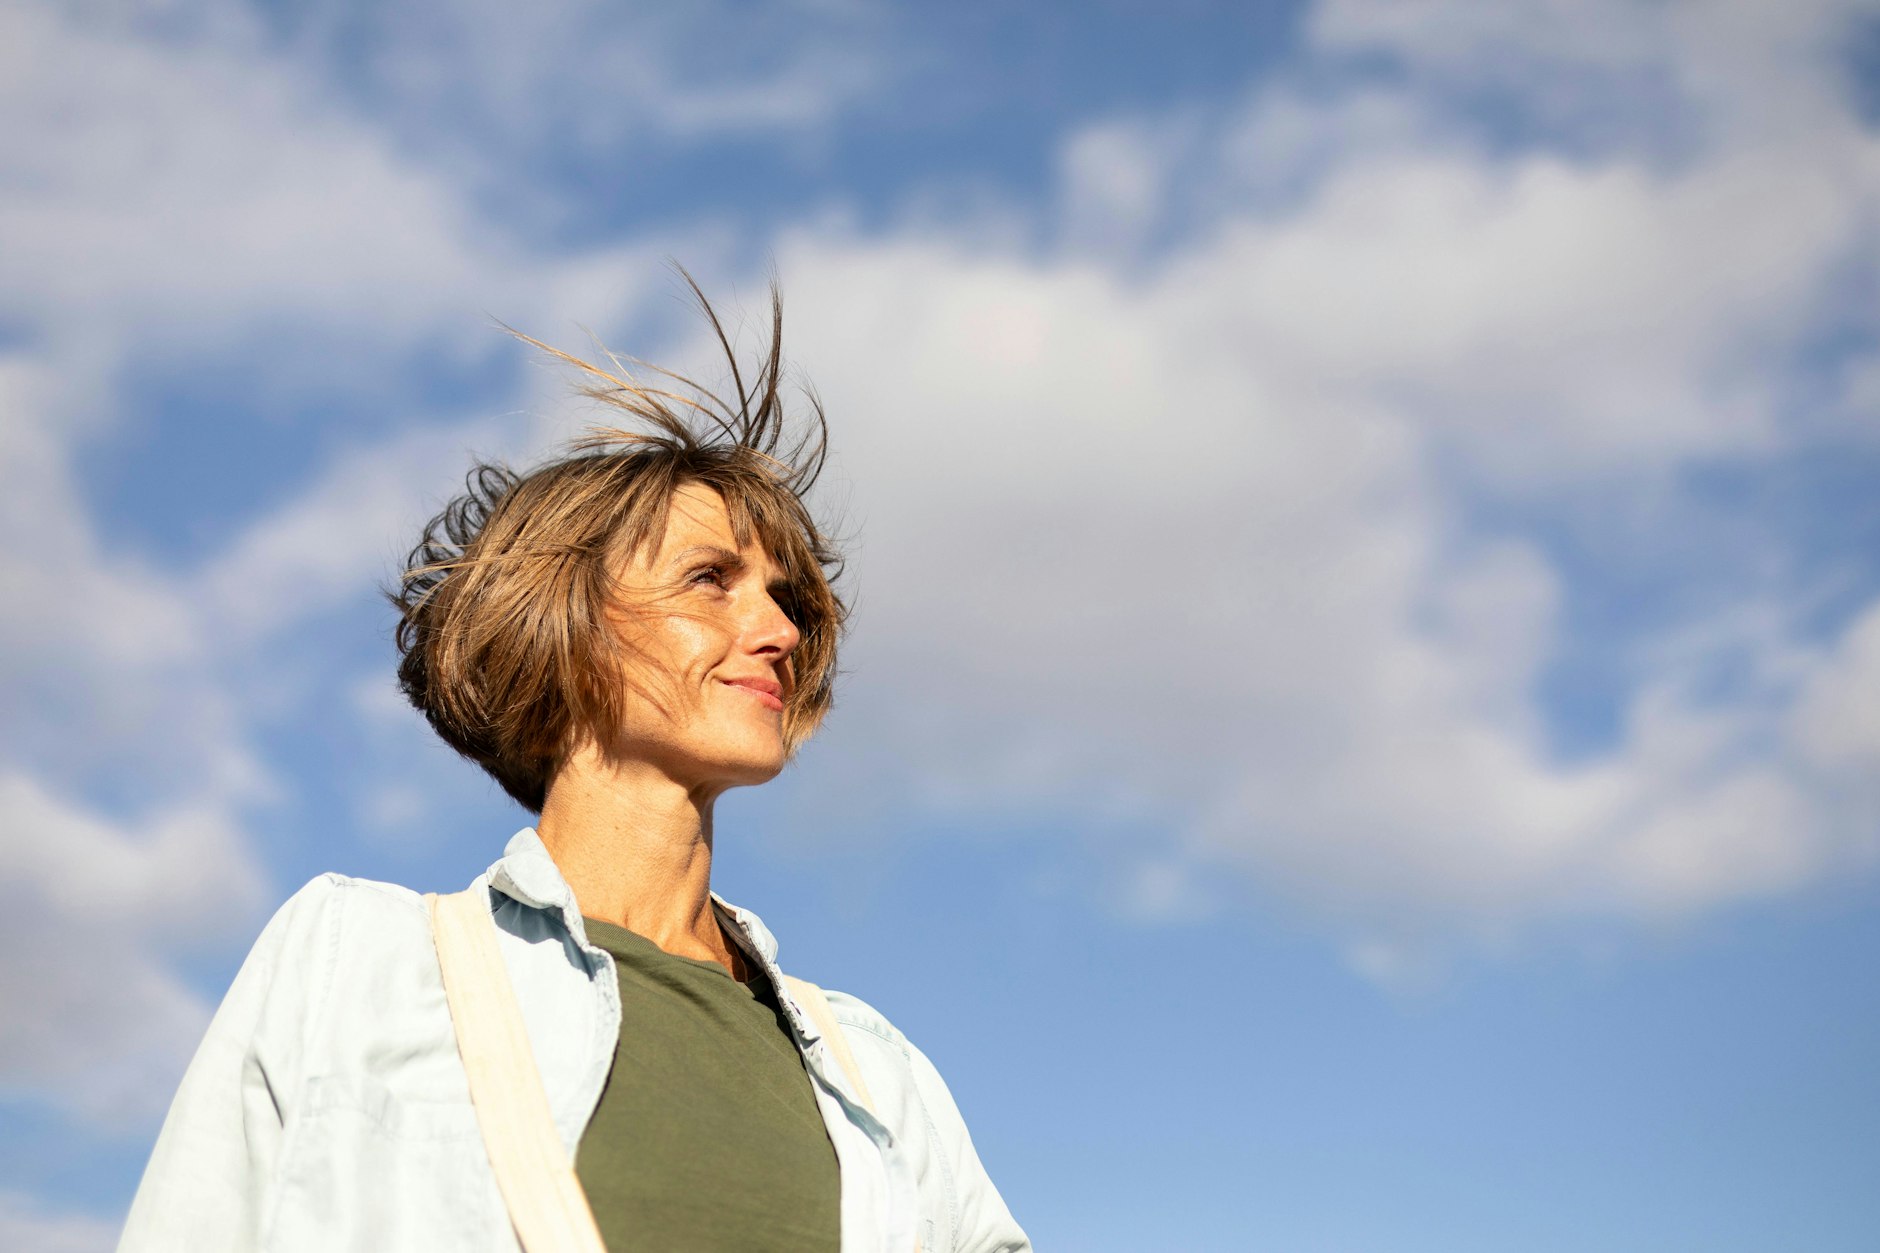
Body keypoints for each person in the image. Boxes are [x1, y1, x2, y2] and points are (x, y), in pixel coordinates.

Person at [117, 276, 1031, 1253]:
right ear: (567, 626)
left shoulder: (881, 1078)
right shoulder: (355, 963)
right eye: (709, 579)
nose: (775, 629)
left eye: (783, 599)